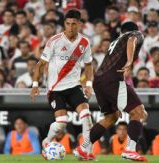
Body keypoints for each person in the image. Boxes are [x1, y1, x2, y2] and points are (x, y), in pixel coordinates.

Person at [76, 22, 148, 161]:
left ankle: (83, 148)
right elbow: (132, 39)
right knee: (139, 112)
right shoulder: (134, 34)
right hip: (112, 79)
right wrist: (129, 61)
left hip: (99, 80)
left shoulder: (114, 42)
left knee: (111, 117)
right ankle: (130, 150)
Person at [30, 9, 94, 160]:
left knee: (86, 116)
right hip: (55, 88)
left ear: (79, 24)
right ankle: (46, 141)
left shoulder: (84, 42)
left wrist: (89, 84)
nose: (70, 27)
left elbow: (89, 65)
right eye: (68, 24)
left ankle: (86, 151)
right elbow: (40, 64)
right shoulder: (54, 41)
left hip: (74, 87)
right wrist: (35, 85)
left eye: (74, 24)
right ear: (64, 24)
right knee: (61, 123)